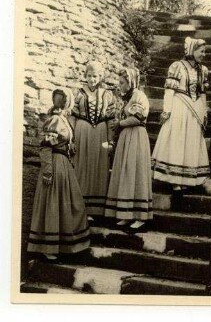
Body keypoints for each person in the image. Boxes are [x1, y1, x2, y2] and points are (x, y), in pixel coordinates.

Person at [27, 88, 90, 261]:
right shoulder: (55, 119)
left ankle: (63, 245)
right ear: (66, 103)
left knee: (69, 203)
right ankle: (49, 248)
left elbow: (62, 142)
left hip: (64, 165)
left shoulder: (64, 119)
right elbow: (46, 146)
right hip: (55, 165)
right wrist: (48, 170)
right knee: (53, 204)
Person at [151, 37, 210, 191]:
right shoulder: (177, 66)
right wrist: (167, 110)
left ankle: (187, 179)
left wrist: (203, 112)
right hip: (179, 107)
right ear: (192, 50)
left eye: (204, 51)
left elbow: (202, 93)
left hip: (195, 109)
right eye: (201, 51)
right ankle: (174, 179)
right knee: (177, 140)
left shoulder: (202, 70)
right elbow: (169, 90)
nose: (203, 54)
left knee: (190, 142)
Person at [104, 67, 153, 233]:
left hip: (137, 136)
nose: (120, 85)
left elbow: (139, 117)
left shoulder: (139, 96)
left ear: (130, 82)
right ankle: (126, 213)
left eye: (122, 82)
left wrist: (120, 123)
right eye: (119, 82)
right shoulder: (127, 98)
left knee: (136, 172)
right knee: (126, 172)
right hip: (127, 137)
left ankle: (140, 216)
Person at [71, 60, 115, 217]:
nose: (92, 79)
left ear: (100, 76)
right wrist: (71, 139)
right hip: (82, 132)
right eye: (89, 76)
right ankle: (80, 208)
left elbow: (110, 119)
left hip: (101, 133)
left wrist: (110, 140)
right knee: (82, 165)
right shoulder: (79, 93)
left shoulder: (107, 94)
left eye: (95, 76)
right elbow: (72, 118)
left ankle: (96, 209)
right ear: (85, 75)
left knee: (99, 165)